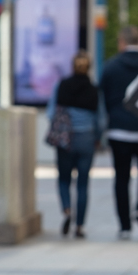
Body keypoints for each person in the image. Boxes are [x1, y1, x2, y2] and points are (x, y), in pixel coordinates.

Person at [99, 27, 138, 238]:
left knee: (122, 178)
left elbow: (103, 97)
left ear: (121, 41)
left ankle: (124, 226)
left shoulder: (110, 66)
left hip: (119, 131)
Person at [47, 52, 106, 239]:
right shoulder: (94, 89)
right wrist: (98, 138)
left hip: (65, 139)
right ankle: (79, 226)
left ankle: (66, 210)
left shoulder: (61, 86)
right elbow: (101, 120)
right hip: (86, 139)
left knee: (64, 179)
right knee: (82, 183)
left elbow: (50, 113)